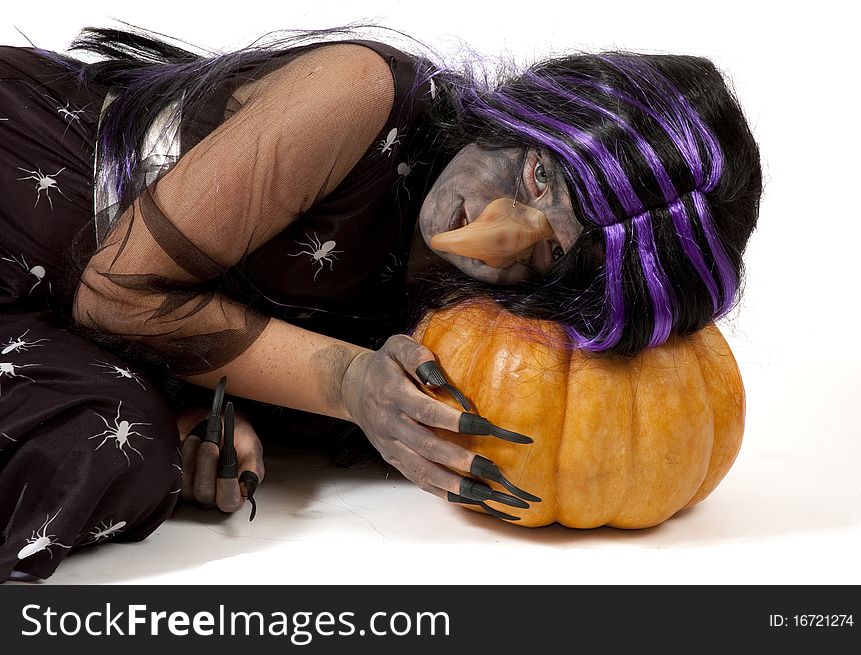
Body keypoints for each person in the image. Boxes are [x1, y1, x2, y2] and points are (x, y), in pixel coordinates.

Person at [0, 21, 762, 581]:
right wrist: (349, 382)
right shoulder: (361, 91)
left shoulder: (466, 321)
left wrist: (202, 406)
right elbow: (120, 292)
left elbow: (210, 325)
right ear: (534, 117)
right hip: (21, 187)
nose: (492, 233)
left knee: (120, 443)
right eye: (540, 179)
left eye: (551, 252)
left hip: (48, 307)